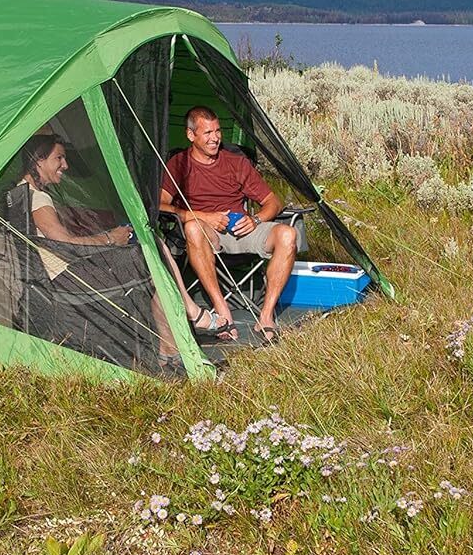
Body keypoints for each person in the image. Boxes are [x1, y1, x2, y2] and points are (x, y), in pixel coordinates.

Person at [16, 134, 211, 369]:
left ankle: (172, 339)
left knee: (151, 252)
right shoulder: (37, 197)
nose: (65, 166)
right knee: (152, 252)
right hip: (68, 281)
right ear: (39, 160)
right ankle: (179, 328)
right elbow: (63, 242)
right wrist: (110, 239)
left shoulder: (21, 191)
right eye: (59, 158)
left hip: (56, 276)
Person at [158, 105, 298, 345]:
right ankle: (222, 311)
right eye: (207, 133)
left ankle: (265, 317)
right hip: (207, 232)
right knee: (193, 227)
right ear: (191, 135)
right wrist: (202, 216)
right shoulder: (178, 164)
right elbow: (160, 206)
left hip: (241, 229)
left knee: (287, 234)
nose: (215, 138)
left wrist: (255, 219)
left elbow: (272, 201)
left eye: (217, 131)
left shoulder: (236, 163)